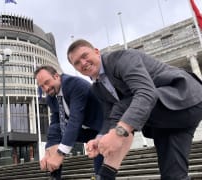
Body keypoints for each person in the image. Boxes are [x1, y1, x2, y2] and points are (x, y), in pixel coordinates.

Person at [66, 39, 202, 180]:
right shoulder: (97, 88)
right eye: (76, 62)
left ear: (96, 51)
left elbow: (145, 93)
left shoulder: (121, 59)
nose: (83, 63)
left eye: (85, 56)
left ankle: (105, 176)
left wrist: (118, 133)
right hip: (167, 123)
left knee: (121, 109)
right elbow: (108, 117)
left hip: (183, 97)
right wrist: (99, 139)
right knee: (173, 176)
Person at [34, 65, 104, 180]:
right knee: (55, 129)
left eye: (47, 82)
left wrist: (60, 153)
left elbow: (75, 120)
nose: (45, 89)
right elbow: (55, 123)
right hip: (84, 130)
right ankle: (54, 176)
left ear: (56, 76)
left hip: (101, 128)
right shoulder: (51, 97)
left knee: (101, 169)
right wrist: (48, 151)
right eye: (42, 86)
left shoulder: (74, 84)